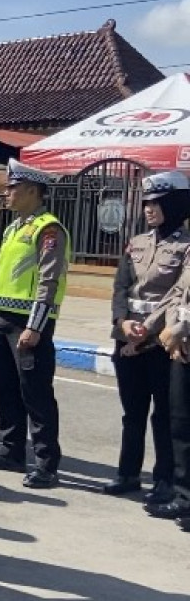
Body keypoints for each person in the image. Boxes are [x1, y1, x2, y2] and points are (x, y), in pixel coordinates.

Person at [0, 159, 69, 489]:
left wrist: (36, 326)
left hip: (29, 322)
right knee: (6, 389)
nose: (6, 194)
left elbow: (48, 281)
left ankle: (46, 463)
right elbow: (6, 278)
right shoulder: (14, 228)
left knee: (35, 393)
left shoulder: (48, 229)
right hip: (3, 318)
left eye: (12, 188)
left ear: (31, 190)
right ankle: (11, 451)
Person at [104, 172, 190, 503]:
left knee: (164, 415)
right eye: (147, 203)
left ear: (173, 204)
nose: (149, 209)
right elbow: (120, 287)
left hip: (158, 341)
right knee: (133, 412)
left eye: (157, 202)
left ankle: (165, 480)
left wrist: (144, 333)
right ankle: (127, 474)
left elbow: (176, 296)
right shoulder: (136, 242)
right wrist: (122, 322)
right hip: (127, 337)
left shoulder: (185, 247)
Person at [152, 250, 190, 529]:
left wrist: (180, 329)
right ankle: (184, 497)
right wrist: (173, 331)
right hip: (183, 349)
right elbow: (177, 292)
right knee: (180, 425)